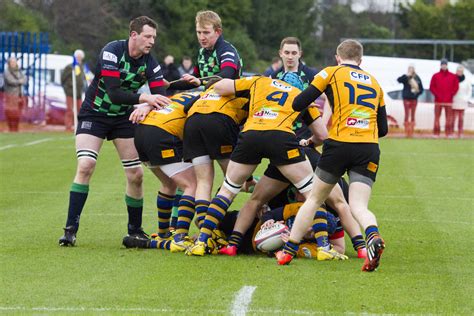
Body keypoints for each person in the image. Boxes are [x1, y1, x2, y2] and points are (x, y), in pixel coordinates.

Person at [187, 73, 333, 257]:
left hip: (251, 135)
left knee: (227, 190)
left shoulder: (260, 81)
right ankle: (324, 248)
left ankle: (202, 241)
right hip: (281, 138)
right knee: (312, 195)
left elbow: (220, 87)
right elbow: (322, 135)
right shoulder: (301, 95)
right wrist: (309, 143)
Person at [58, 16, 171, 247]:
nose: (151, 41)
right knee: (86, 165)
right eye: (148, 36)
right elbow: (114, 93)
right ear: (134, 35)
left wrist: (148, 104)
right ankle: (70, 230)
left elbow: (161, 95)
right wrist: (145, 98)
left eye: (154, 37)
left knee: (136, 175)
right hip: (94, 114)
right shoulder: (112, 51)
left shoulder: (150, 62)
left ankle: (135, 231)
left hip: (122, 118)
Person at [276, 39, 388, 272]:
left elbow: (299, 103)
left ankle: (288, 252)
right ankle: (373, 236)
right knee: (358, 206)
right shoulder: (375, 83)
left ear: (338, 58)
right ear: (360, 60)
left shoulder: (330, 72)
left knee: (315, 198)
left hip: (339, 144)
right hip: (368, 147)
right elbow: (384, 129)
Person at [122, 92, 199, 251]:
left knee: (169, 183)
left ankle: (163, 234)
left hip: (142, 132)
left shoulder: (184, 94)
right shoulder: (207, 99)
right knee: (192, 185)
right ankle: (180, 237)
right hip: (161, 133)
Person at [168, 10, 242, 91]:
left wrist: (200, 81)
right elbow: (194, 79)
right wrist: (168, 85)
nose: (201, 37)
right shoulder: (202, 52)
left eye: (206, 32)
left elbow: (226, 74)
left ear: (218, 32)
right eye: (199, 32)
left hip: (233, 98)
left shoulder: (226, 50)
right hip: (211, 97)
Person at [429, 59, 459, 138]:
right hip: (438, 101)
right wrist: (436, 94)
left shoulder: (453, 76)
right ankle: (436, 133)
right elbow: (432, 87)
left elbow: (456, 87)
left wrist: (451, 94)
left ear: (447, 65)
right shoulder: (435, 76)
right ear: (440, 65)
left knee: (449, 118)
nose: (444, 66)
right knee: (437, 118)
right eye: (442, 64)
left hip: (448, 101)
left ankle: (448, 133)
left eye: (445, 64)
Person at [61, 49, 86, 131]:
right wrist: (67, 88)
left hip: (78, 92)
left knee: (80, 110)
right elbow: (63, 79)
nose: (79, 58)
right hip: (70, 92)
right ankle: (68, 127)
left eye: (80, 57)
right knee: (69, 110)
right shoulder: (69, 67)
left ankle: (79, 126)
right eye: (77, 57)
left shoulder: (82, 67)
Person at [397, 64, 423, 138]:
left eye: (412, 69)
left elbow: (421, 89)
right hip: (406, 98)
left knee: (413, 116)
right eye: (409, 69)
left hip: (414, 99)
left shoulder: (417, 78)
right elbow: (398, 80)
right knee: (406, 115)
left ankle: (411, 132)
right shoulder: (406, 77)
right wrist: (406, 75)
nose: (411, 70)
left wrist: (416, 95)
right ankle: (406, 132)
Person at [3, 56, 27, 132]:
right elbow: (11, 81)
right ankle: (11, 127)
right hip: (11, 95)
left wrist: (20, 81)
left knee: (18, 112)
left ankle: (16, 127)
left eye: (14, 62)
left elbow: (25, 79)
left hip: (19, 95)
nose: (13, 63)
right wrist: (20, 81)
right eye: (12, 62)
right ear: (9, 63)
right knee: (11, 112)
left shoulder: (19, 71)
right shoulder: (7, 72)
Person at [452, 65, 472, 138]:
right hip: (454, 101)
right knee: (453, 118)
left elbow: (469, 91)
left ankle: (460, 132)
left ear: (463, 72)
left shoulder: (467, 81)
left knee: (461, 119)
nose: (459, 72)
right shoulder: (453, 79)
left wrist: (466, 98)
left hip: (462, 102)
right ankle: (452, 132)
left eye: (460, 71)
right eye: (458, 71)